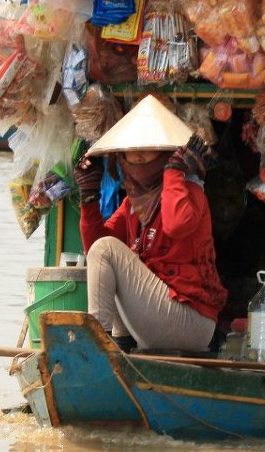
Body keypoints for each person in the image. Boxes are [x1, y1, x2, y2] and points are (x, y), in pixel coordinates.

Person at [73, 95, 226, 353]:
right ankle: (119, 347)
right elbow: (95, 250)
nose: (138, 153)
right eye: (131, 149)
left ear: (166, 152)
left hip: (190, 320)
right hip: (159, 315)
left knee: (108, 250)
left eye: (147, 146)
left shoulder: (189, 190)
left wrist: (173, 172)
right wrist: (88, 198)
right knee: (107, 252)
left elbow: (177, 226)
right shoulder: (134, 204)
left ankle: (96, 345)